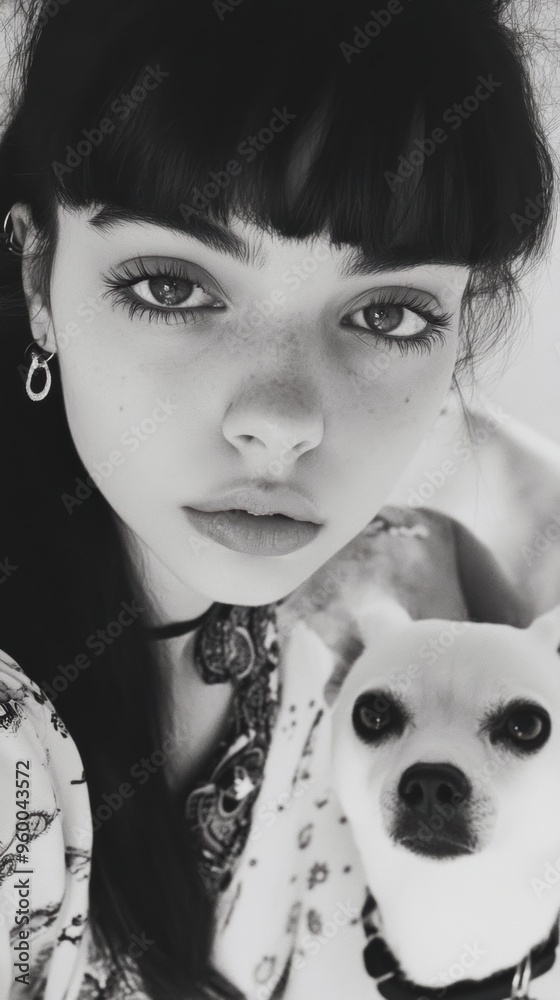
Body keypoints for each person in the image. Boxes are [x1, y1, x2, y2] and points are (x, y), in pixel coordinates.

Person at [0, 0, 555, 997]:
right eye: (172, 287)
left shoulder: (376, 617)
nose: (280, 420)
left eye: (386, 312)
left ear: (456, 336)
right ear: (37, 274)